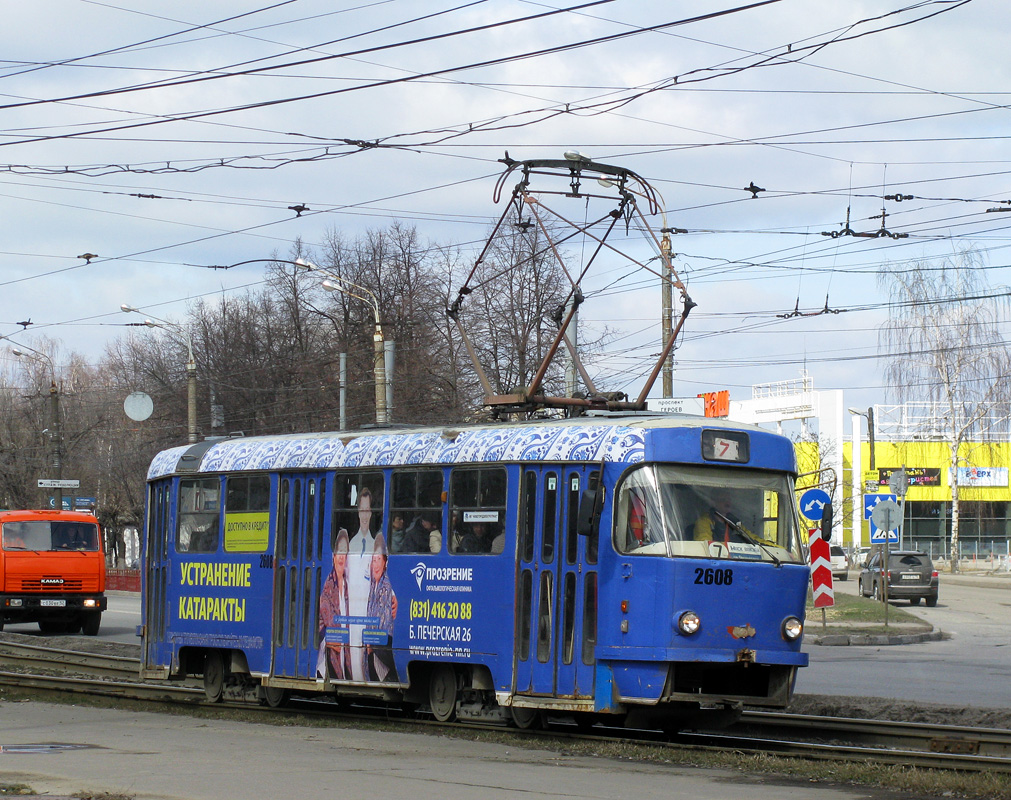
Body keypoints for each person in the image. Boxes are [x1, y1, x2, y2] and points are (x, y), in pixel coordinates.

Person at [345, 488, 376, 681]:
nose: (365, 516)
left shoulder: (377, 545)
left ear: (371, 513)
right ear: (358, 513)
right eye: (362, 511)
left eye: (368, 511)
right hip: (353, 613)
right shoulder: (351, 546)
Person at [317, 529, 351, 680]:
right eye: (339, 552)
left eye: (345, 552)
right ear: (334, 556)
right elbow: (326, 623)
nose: (341, 556)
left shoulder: (347, 585)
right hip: (328, 654)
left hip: (344, 650)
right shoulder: (328, 586)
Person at [365, 533, 398, 682]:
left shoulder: (386, 586)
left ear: (385, 563)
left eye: (379, 559)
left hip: (383, 645)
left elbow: (382, 621)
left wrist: (370, 641)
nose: (376, 564)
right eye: (374, 560)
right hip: (374, 644)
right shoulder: (373, 585)